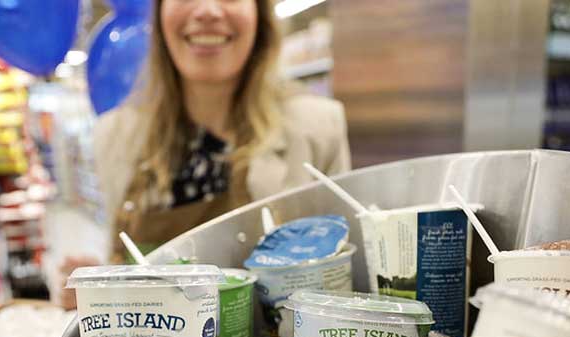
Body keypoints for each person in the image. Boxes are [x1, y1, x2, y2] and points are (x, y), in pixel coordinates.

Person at [58, 0, 351, 308]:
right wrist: (100, 289)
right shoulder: (116, 135)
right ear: (159, 15)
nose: (208, 10)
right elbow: (127, 268)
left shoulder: (318, 129)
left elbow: (341, 280)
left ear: (259, 13)